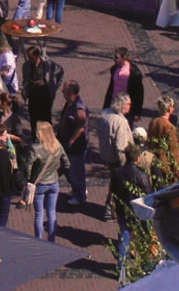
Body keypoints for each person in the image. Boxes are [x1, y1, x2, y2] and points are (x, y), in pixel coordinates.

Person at [110, 149, 154, 285]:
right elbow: (149, 194)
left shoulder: (117, 172)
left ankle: (122, 269)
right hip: (139, 212)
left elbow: (113, 190)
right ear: (138, 158)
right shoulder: (141, 175)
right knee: (144, 239)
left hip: (123, 210)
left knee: (124, 239)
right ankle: (146, 267)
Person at [95, 93, 133, 221]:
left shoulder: (105, 114)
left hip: (106, 154)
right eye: (129, 104)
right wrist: (125, 165)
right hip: (116, 159)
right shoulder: (120, 122)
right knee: (117, 185)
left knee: (114, 182)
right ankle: (109, 211)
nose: (130, 106)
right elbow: (120, 147)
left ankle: (110, 210)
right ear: (123, 105)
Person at [28, 121, 68, 242]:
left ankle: (39, 240)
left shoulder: (35, 148)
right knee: (52, 213)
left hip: (40, 184)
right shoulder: (57, 145)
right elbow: (67, 164)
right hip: (54, 183)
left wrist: (30, 180)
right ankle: (51, 240)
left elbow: (27, 166)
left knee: (39, 214)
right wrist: (57, 174)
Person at [55, 81, 88, 205]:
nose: (62, 92)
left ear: (71, 92)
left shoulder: (79, 108)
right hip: (66, 143)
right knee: (68, 168)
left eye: (64, 90)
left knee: (75, 170)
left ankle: (80, 196)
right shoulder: (70, 103)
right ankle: (77, 190)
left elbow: (81, 127)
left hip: (75, 146)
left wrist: (71, 141)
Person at [22, 45, 64, 134]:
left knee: (46, 121)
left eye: (31, 57)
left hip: (45, 97)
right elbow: (25, 79)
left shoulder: (48, 64)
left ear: (37, 56)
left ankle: (47, 139)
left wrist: (55, 86)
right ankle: (35, 139)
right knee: (34, 120)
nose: (29, 59)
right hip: (33, 96)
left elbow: (60, 71)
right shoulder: (26, 65)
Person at [145, 95, 179, 185]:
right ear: (169, 109)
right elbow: (173, 150)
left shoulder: (153, 122)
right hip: (165, 165)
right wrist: (177, 170)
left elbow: (149, 141)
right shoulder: (169, 127)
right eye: (173, 106)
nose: (174, 108)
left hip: (153, 161)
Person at [102, 47, 145, 124]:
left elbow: (139, 93)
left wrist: (137, 111)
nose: (114, 59)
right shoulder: (114, 69)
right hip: (114, 103)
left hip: (126, 106)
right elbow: (111, 87)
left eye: (116, 57)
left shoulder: (134, 73)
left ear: (124, 58)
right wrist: (106, 105)